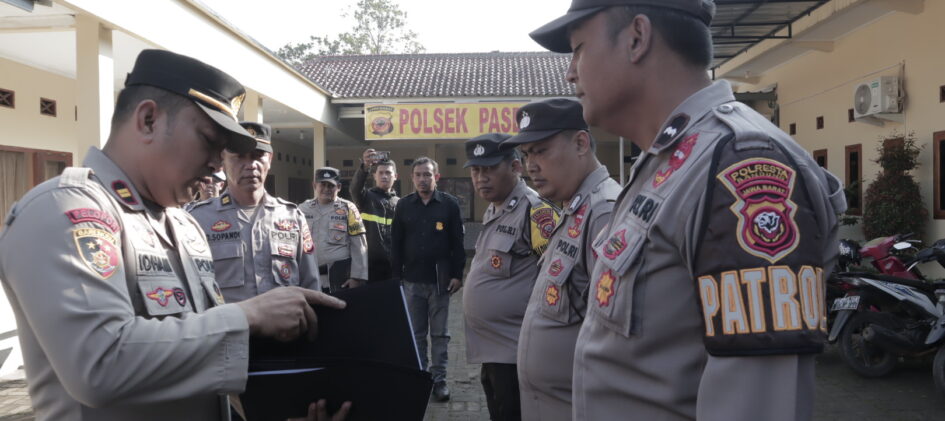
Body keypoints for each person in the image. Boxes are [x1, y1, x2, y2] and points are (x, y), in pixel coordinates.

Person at [529, 1, 847, 420]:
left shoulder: (740, 164)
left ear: (637, 38)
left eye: (578, 49)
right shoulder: (670, 159)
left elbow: (757, 405)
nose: (570, 73)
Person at [0, 49, 349, 421]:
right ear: (148, 120)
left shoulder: (183, 225)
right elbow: (100, 365)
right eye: (208, 141)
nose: (217, 166)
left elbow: (198, 357)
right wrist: (246, 316)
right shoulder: (68, 210)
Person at [503, 98, 621, 421]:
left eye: (540, 151)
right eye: (526, 155)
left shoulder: (603, 212)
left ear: (581, 143)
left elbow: (617, 343)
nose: (531, 166)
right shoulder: (574, 206)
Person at [462, 133, 559, 421]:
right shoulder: (496, 207)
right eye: (476, 170)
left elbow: (557, 281)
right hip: (493, 350)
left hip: (516, 352)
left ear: (516, 167)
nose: (481, 178)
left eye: (490, 169)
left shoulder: (536, 211)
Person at [189, 122, 320, 302]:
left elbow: (311, 286)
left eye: (258, 156)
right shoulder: (199, 219)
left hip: (285, 320)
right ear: (222, 160)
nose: (250, 165)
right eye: (239, 157)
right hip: (229, 320)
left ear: (270, 159)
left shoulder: (292, 217)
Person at [390, 157, 465, 402]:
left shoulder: (450, 205)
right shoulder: (403, 205)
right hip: (411, 282)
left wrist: (457, 275)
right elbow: (396, 244)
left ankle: (439, 381)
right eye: (419, 175)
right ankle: (421, 379)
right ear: (412, 178)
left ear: (437, 177)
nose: (423, 179)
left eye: (427, 175)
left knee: (440, 335)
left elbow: (457, 243)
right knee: (417, 335)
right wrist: (396, 278)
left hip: (440, 282)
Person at [302, 167, 368, 292]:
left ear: (339, 187)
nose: (326, 189)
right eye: (322, 184)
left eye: (331, 185)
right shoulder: (302, 209)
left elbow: (359, 245)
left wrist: (357, 277)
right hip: (310, 278)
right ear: (314, 185)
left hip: (340, 279)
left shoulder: (348, 208)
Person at [349, 149, 399, 282]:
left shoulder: (400, 203)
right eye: (380, 173)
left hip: (393, 268)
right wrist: (365, 166)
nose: (384, 176)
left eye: (388, 173)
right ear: (374, 176)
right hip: (369, 268)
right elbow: (354, 189)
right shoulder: (365, 197)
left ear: (395, 176)